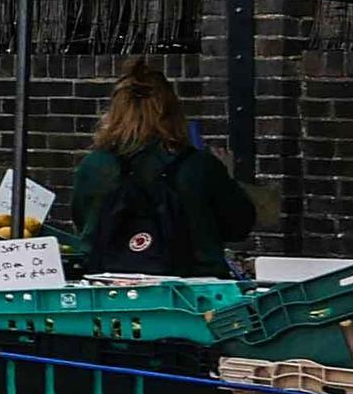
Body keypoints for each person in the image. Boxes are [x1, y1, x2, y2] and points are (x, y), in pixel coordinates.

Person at [67, 59, 260, 278]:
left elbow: (82, 221)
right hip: (196, 288)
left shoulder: (95, 166)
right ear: (173, 112)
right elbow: (239, 226)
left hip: (109, 285)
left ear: (114, 113)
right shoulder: (200, 165)